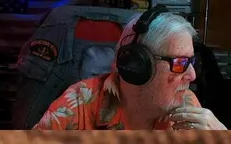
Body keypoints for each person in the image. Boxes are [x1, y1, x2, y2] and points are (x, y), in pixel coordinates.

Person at [34, 10, 227, 130]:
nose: (192, 75)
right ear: (138, 66)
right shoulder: (77, 106)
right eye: (180, 63)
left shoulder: (187, 103)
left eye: (191, 61)